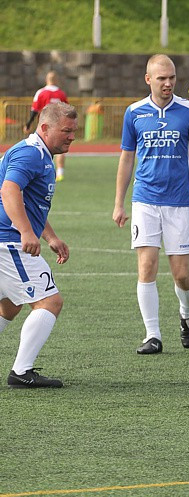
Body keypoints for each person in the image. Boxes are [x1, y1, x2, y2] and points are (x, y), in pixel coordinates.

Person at [113, 54, 189, 355]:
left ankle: (187, 314)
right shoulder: (134, 113)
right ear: (148, 79)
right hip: (144, 200)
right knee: (146, 266)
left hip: (178, 203)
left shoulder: (188, 111)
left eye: (172, 77)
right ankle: (153, 335)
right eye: (161, 78)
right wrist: (119, 203)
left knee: (181, 275)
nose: (168, 83)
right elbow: (127, 157)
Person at [0, 102, 76, 387]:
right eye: (66, 131)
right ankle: (21, 372)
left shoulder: (39, 154)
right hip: (8, 241)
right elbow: (9, 190)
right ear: (44, 127)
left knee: (9, 305)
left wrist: (50, 236)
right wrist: (25, 233)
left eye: (73, 131)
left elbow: (29, 203)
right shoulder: (31, 154)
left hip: (6, 239)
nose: (71, 137)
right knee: (49, 301)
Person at [23, 71, 69, 182]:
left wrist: (28, 124)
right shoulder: (61, 93)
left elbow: (34, 110)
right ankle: (60, 172)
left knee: (41, 147)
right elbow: (67, 110)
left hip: (45, 126)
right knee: (60, 147)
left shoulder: (41, 92)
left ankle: (41, 170)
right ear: (56, 80)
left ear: (46, 80)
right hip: (60, 125)